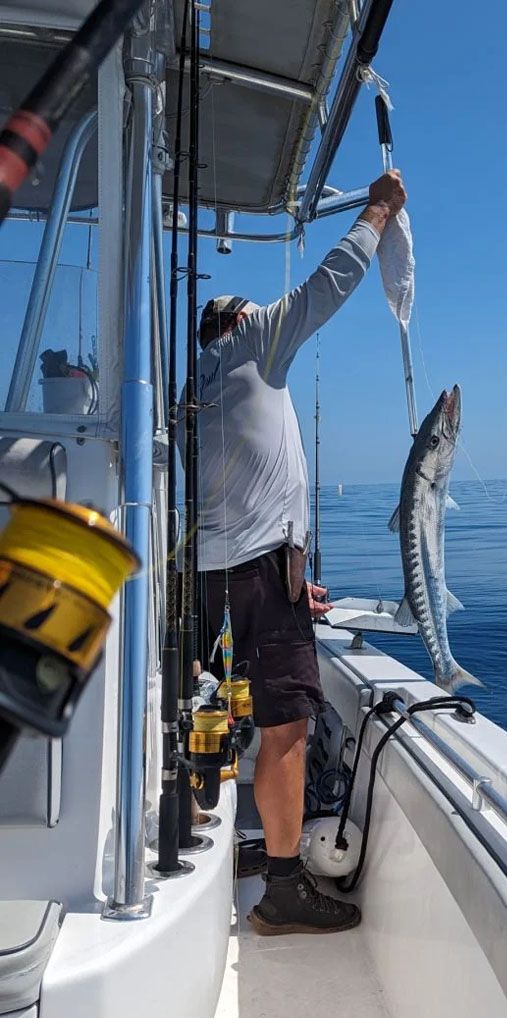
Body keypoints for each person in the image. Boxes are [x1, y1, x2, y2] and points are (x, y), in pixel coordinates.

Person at [191, 170, 407, 935]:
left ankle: (217, 843)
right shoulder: (254, 339)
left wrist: (291, 582)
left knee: (203, 712)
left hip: (205, 582)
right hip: (258, 575)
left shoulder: (191, 390)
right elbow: (329, 283)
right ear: (241, 323)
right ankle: (283, 891)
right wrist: (378, 212)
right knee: (285, 729)